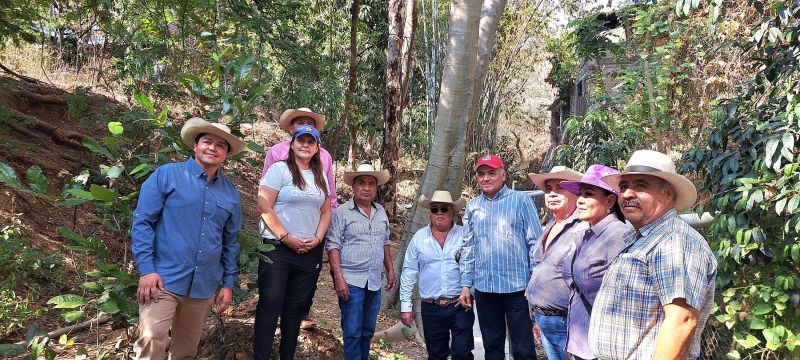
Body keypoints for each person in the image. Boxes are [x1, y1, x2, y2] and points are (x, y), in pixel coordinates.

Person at [131, 117, 245, 359]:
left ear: (226, 154)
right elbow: (143, 223)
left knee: (186, 351)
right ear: (195, 145)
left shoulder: (230, 193)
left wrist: (227, 283)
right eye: (207, 141)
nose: (213, 148)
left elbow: (230, 242)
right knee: (151, 340)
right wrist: (147, 270)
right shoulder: (167, 175)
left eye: (221, 145)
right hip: (162, 279)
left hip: (203, 286)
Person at [589, 150, 717, 359]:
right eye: (623, 186)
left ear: (668, 194)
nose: (627, 194)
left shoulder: (674, 240)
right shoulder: (644, 237)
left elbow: (682, 320)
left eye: (641, 186)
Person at [252, 125, 331, 360]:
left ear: (317, 148)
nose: (305, 145)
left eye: (310, 141)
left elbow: (326, 211)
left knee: (295, 308)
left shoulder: (320, 175)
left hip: (308, 251)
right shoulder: (279, 169)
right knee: (270, 302)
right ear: (292, 144)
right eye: (301, 140)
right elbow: (264, 205)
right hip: (278, 248)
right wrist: (286, 238)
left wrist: (318, 238)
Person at [458, 154, 543, 360]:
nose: (486, 178)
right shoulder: (473, 206)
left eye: (492, 173)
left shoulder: (521, 201)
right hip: (485, 289)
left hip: (518, 290)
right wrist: (466, 284)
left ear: (503, 175)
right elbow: (468, 247)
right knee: (492, 348)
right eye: (481, 174)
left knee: (523, 349)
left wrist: (534, 284)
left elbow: (535, 244)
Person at [261, 107, 336, 330]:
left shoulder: (324, 156)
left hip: (313, 225)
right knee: (274, 285)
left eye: (309, 123)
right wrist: (279, 231)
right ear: (291, 129)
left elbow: (329, 193)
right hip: (280, 230)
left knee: (307, 279)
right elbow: (266, 193)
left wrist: (323, 228)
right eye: (299, 122)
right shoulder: (276, 152)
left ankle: (302, 311)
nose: (305, 127)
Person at [558, 165, 633, 360]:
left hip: (602, 346)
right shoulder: (586, 234)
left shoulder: (618, 236)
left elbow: (624, 297)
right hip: (580, 340)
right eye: (580, 194)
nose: (580, 200)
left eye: (588, 194)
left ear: (610, 201)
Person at [326, 164, 397, 360]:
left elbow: (385, 242)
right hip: (351, 281)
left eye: (371, 184)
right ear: (353, 187)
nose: (367, 188)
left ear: (376, 188)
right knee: (352, 333)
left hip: (374, 281)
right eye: (362, 183)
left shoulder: (380, 211)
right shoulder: (342, 212)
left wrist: (390, 270)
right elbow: (333, 246)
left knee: (367, 332)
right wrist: (339, 278)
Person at [399, 190, 474, 360]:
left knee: (462, 353)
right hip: (431, 306)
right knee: (436, 355)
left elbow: (475, 265)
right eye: (434, 209)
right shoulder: (419, 238)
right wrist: (405, 307)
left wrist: (472, 292)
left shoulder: (465, 235)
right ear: (430, 213)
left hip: (460, 305)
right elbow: (409, 272)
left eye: (444, 208)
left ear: (453, 212)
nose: (439, 213)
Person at [525, 166, 583, 360]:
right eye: (548, 189)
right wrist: (538, 319)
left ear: (575, 192)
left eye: (560, 188)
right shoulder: (551, 224)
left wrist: (576, 330)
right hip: (545, 318)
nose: (552, 194)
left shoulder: (582, 227)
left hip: (567, 322)